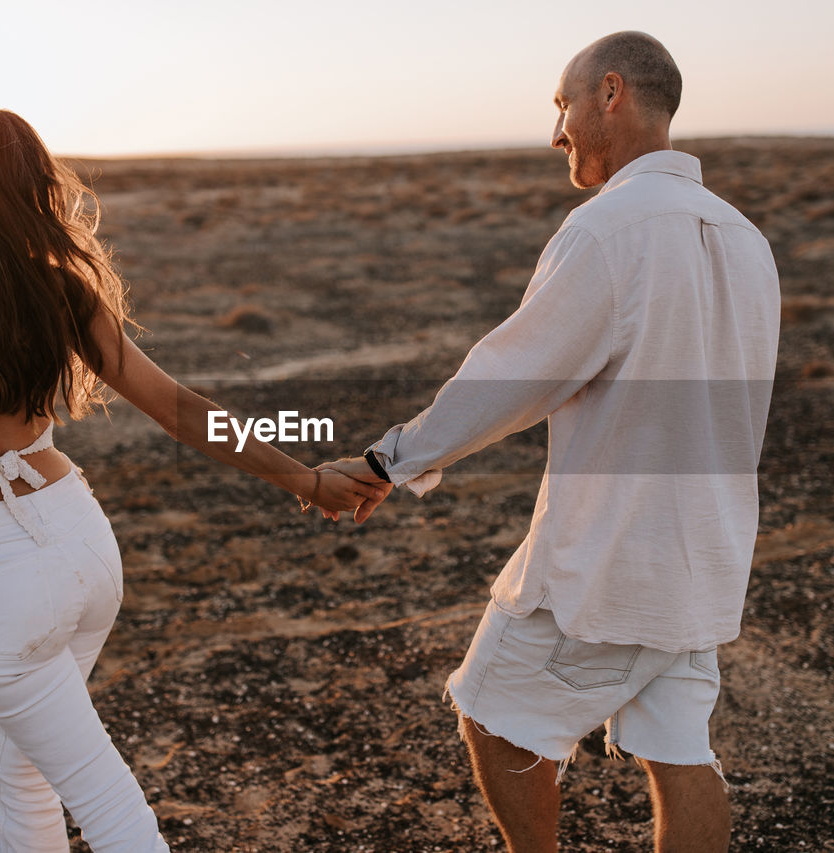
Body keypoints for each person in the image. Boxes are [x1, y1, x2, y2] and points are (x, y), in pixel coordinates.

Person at [0, 100, 385, 852]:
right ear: (22, 188)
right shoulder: (53, 287)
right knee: (24, 774)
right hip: (83, 545)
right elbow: (182, 409)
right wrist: (304, 479)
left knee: (109, 806)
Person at [327, 32, 780, 852]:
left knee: (492, 713)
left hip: (608, 559)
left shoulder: (606, 231)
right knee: (681, 753)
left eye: (561, 104)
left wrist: (384, 461)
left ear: (611, 93)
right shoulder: (747, 239)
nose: (555, 132)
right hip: (706, 555)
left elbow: (511, 377)